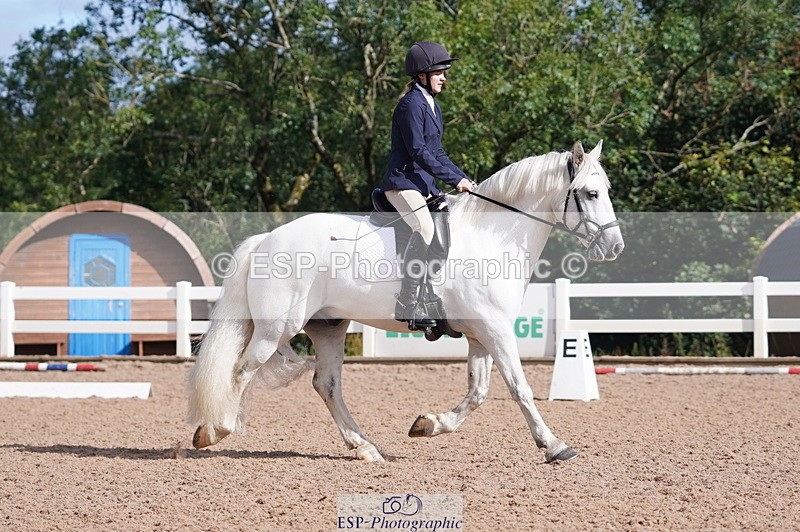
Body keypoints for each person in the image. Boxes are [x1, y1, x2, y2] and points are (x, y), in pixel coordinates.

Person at [380, 41, 475, 329]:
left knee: (446, 236)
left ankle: (430, 298)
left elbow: (438, 152)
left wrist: (464, 178)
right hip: (402, 182)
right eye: (439, 72)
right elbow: (418, 151)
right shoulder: (410, 105)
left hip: (424, 185)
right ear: (422, 75)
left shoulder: (432, 106)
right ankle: (408, 302)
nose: (445, 77)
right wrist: (453, 179)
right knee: (424, 227)